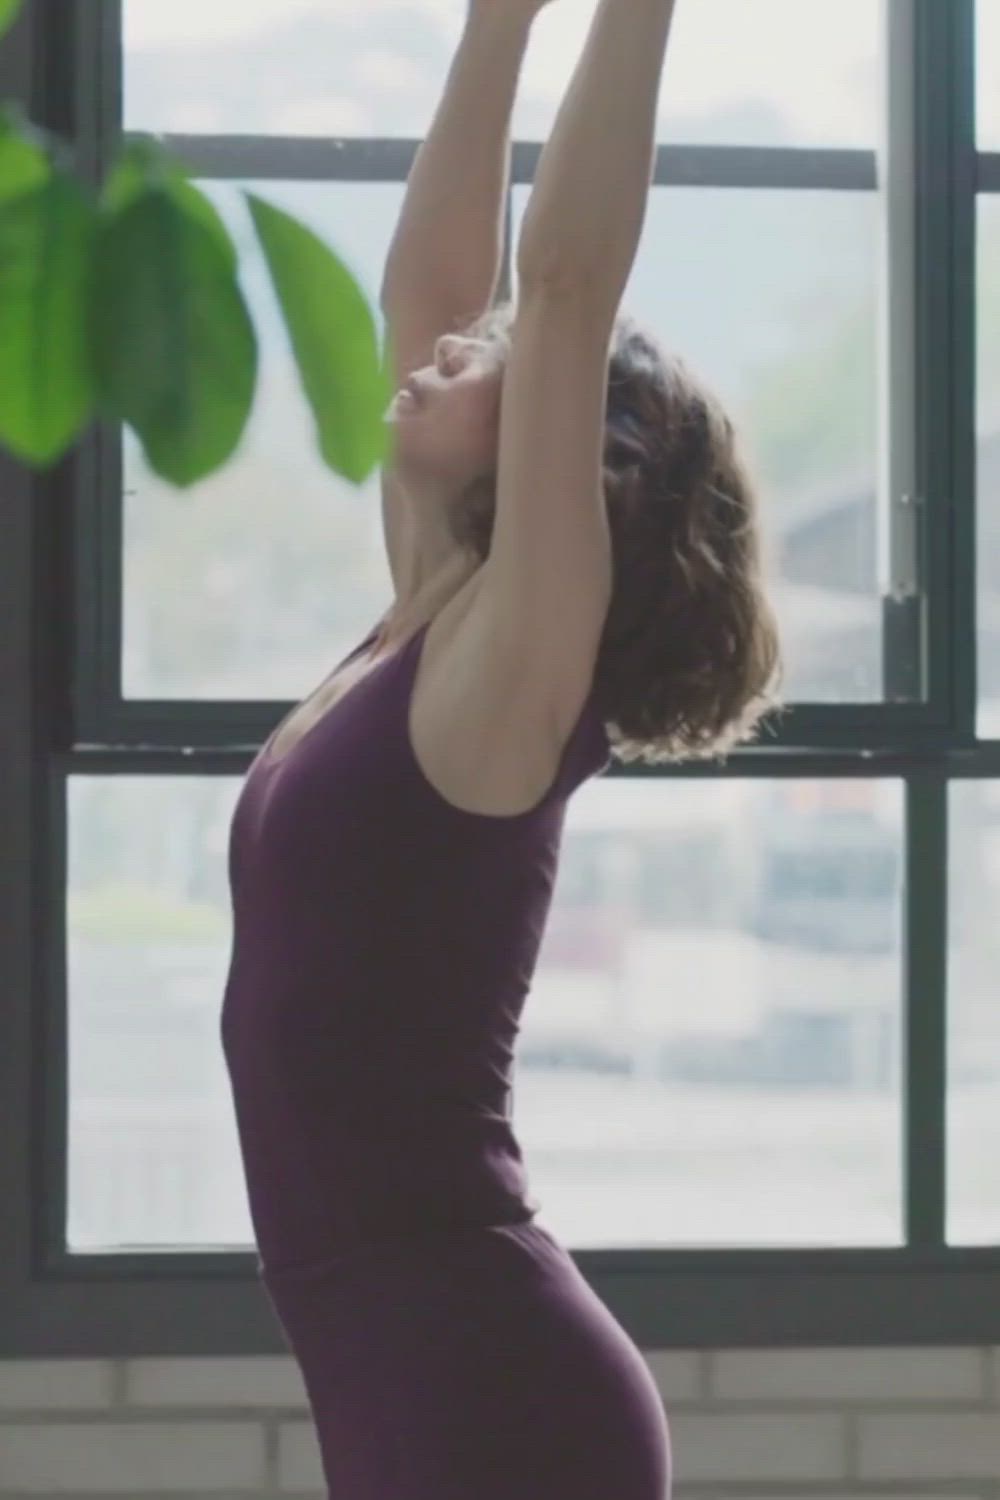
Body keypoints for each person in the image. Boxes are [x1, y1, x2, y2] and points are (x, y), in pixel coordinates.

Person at [220, 0, 780, 1496]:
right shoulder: (423, 617)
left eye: (491, 360)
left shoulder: (522, 656)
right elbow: (437, 282)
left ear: (568, 444)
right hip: (401, 1364)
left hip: (486, 1383)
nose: (440, 350)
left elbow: (567, 277)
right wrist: (496, 21)